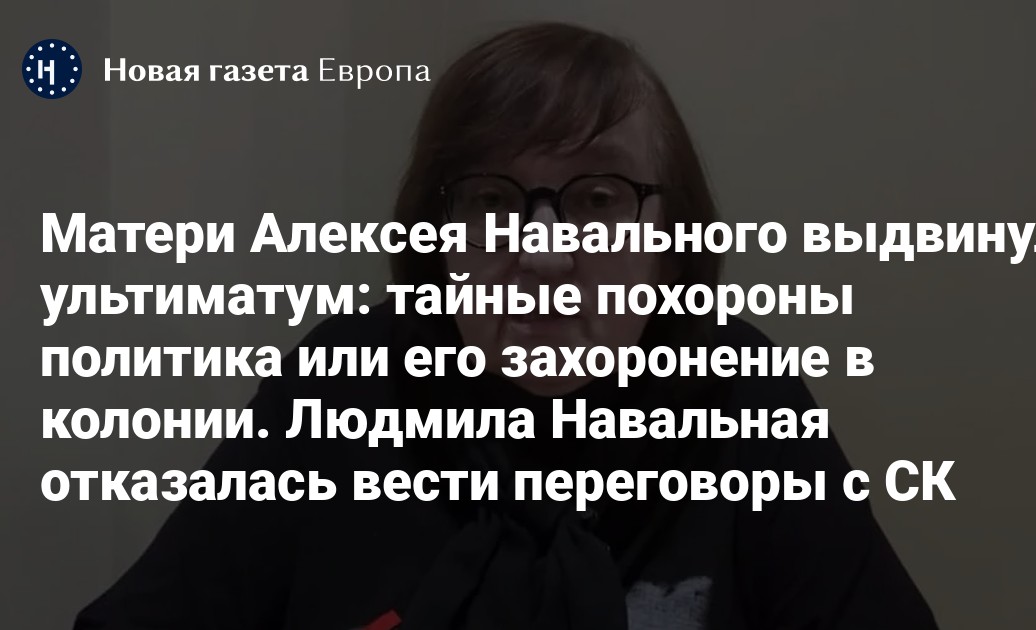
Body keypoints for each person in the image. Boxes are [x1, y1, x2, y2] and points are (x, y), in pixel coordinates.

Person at [75, 22, 939, 630]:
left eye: (598, 198)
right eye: (491, 201)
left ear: (672, 240)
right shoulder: (340, 384)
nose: (544, 252)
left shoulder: (740, 394)